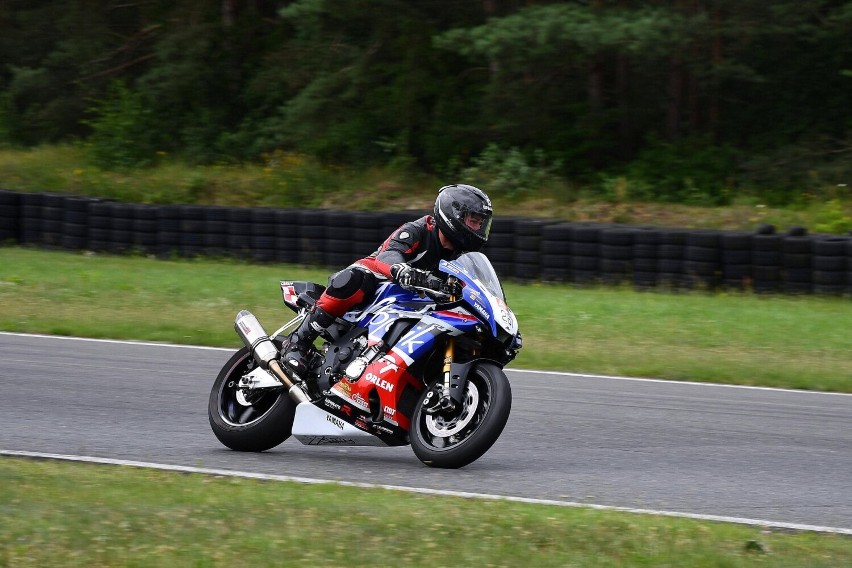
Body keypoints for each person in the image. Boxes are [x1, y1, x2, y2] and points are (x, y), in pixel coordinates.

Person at [281, 183, 493, 376]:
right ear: (453, 215)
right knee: (354, 279)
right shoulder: (418, 230)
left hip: (415, 304)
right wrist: (401, 269)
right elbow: (388, 254)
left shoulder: (461, 257)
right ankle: (298, 341)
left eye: (481, 223)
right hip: (379, 286)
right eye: (473, 221)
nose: (478, 228)